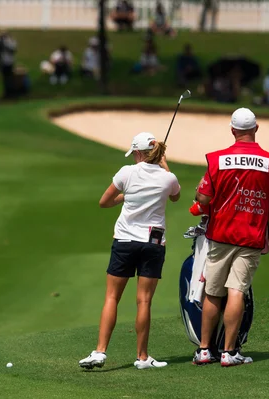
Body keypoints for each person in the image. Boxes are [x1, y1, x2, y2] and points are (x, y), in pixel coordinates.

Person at [79, 132, 181, 370]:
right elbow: (175, 197)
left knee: (112, 297)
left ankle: (100, 352)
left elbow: (104, 201)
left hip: (125, 241)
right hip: (153, 244)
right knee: (144, 301)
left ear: (137, 152)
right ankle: (142, 357)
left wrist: (124, 198)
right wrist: (164, 164)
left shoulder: (126, 173)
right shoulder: (169, 178)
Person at [192, 108, 269, 367]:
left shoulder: (216, 159)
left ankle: (204, 350)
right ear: (256, 128)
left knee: (212, 291)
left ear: (232, 130)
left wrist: (199, 196)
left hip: (220, 233)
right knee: (236, 291)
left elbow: (204, 198)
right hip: (251, 235)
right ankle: (229, 353)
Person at [0, 29, 17, 99]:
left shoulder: (10, 41)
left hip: (9, 62)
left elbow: (13, 50)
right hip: (1, 61)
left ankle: (11, 93)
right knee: (4, 78)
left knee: (9, 78)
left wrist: (4, 45)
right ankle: (6, 93)